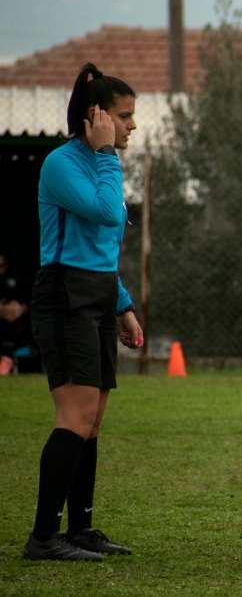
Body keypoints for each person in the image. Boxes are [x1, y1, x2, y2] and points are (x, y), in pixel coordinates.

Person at [23, 63, 144, 562]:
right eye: (124, 116)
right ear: (96, 116)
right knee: (74, 415)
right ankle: (43, 538)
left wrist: (122, 306)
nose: (132, 125)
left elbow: (103, 247)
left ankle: (80, 530)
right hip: (64, 294)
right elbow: (109, 213)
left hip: (96, 292)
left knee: (92, 420)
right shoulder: (62, 163)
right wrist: (107, 154)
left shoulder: (97, 163)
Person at [0, 251, 31, 375]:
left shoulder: (16, 280)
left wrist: (20, 308)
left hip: (14, 323)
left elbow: (28, 302)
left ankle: (6, 358)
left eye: (2, 266)